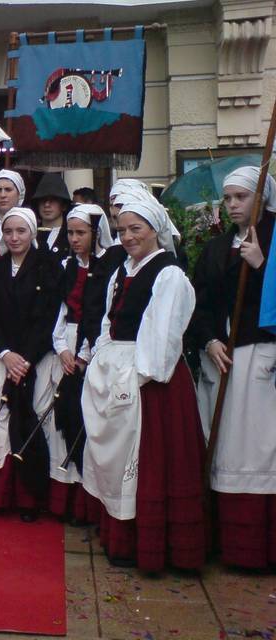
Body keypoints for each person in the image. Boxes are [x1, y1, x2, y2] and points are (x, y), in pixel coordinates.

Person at [81, 197, 206, 571]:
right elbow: (107, 320)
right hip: (119, 370)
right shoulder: (123, 270)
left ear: (155, 229)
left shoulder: (169, 275)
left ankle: (153, 546)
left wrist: (133, 376)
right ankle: (122, 537)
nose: (129, 237)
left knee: (149, 460)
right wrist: (104, 360)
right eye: (122, 230)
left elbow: (165, 336)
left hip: (151, 381)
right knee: (119, 460)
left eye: (136, 229)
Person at [192, 166, 276, 569]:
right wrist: (208, 340)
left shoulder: (274, 241)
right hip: (224, 362)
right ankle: (225, 542)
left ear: (261, 197)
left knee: (260, 450)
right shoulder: (216, 247)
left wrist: (263, 266)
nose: (232, 206)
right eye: (227, 199)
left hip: (263, 361)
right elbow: (202, 303)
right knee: (223, 445)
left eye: (240, 197)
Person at [0, 207, 63, 523]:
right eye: (9, 232)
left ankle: (29, 498)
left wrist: (26, 358)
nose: (14, 237)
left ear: (32, 233)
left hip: (34, 362)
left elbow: (49, 317)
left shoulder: (47, 268)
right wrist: (5, 352)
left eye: (21, 231)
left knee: (29, 427)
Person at [47, 204, 113, 525]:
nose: (74, 239)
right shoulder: (68, 267)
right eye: (70, 232)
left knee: (88, 419)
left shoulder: (105, 269)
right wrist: (61, 348)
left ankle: (90, 497)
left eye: (80, 233)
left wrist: (86, 353)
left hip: (94, 345)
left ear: (95, 233)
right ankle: (69, 498)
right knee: (65, 417)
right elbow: (61, 311)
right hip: (68, 345)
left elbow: (101, 315)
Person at [30, 172, 71, 257]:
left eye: (53, 200)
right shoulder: (30, 234)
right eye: (42, 200)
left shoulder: (70, 235)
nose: (47, 205)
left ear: (63, 205)